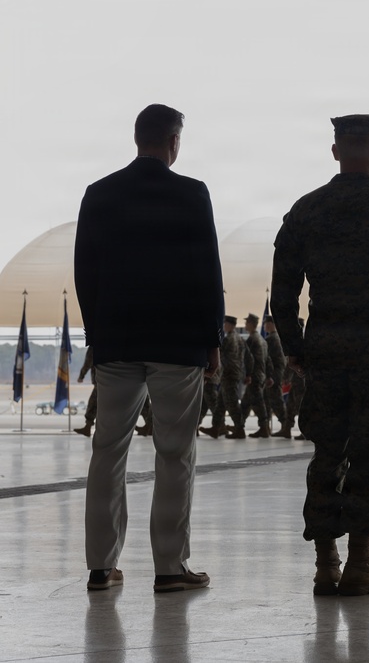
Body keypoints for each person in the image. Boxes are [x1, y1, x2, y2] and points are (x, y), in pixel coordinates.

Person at [271, 114, 369, 596]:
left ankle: (325, 564)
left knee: (328, 454)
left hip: (325, 350)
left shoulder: (306, 210)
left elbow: (282, 291)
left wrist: (295, 347)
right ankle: (361, 562)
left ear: (336, 150)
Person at [74, 103, 223, 593]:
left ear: (138, 138)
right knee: (175, 455)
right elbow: (207, 272)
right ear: (173, 140)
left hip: (117, 344)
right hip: (177, 346)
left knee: (107, 451)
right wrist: (211, 341)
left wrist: (97, 336)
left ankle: (101, 567)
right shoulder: (191, 194)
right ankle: (169, 568)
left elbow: (85, 272)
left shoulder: (99, 194)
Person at [241, 313, 270, 438]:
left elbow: (249, 359)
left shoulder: (252, 339)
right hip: (260, 375)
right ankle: (239, 426)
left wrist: (248, 374)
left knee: (258, 402)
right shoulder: (262, 340)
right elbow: (268, 360)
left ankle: (264, 427)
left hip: (254, 376)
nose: (245, 324)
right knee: (245, 403)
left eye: (247, 322)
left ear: (251, 324)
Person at [219, 316, 248, 439]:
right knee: (221, 401)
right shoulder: (240, 339)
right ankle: (217, 426)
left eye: (225, 323)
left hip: (228, 374)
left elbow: (223, 359)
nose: (224, 325)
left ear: (230, 325)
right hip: (236, 373)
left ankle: (239, 428)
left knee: (232, 402)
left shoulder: (228, 339)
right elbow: (246, 357)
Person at [262, 315, 287, 435]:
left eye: (267, 323)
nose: (265, 326)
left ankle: (285, 427)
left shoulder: (272, 339)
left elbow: (275, 362)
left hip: (274, 376)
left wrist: (272, 377)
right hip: (274, 376)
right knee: (268, 401)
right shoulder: (274, 338)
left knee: (276, 402)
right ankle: (266, 427)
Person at [73, 346, 97, 437]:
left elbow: (88, 362)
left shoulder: (95, 345)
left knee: (93, 403)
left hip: (102, 380)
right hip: (115, 379)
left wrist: (81, 376)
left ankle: (88, 427)